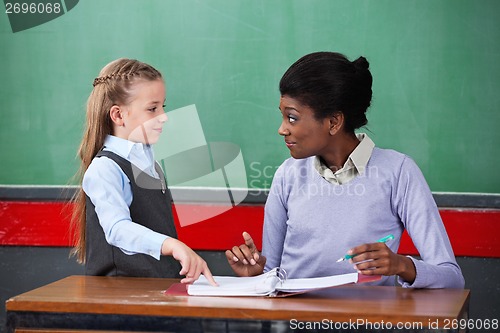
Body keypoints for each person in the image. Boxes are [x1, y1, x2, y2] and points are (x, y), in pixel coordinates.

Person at [226, 52, 464, 288]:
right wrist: (256, 275)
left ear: (333, 122)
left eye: (292, 118)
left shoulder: (398, 172)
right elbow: (271, 274)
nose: (282, 129)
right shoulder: (287, 174)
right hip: (294, 322)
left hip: (364, 322)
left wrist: (402, 265)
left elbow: (451, 278)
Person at [71, 58, 216, 286]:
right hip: (119, 295)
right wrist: (172, 244)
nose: (164, 116)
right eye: (152, 109)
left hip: (155, 288)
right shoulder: (105, 168)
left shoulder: (149, 162)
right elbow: (117, 229)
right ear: (118, 115)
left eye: (162, 107)